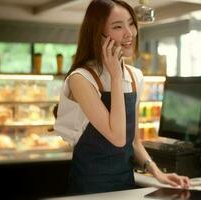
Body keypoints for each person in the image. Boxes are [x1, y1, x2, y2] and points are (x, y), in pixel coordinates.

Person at [54, 0, 190, 195]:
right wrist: (116, 76)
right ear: (98, 33)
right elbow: (117, 137)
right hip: (90, 188)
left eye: (131, 23)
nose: (130, 33)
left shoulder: (135, 76)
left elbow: (133, 142)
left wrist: (158, 173)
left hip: (126, 184)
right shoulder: (81, 79)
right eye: (118, 26)